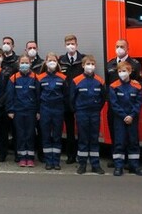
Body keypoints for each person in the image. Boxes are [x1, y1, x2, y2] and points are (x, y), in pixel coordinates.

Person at [71, 55, 106, 174]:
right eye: (88, 64)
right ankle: (82, 164)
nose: (90, 66)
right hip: (82, 113)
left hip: (95, 113)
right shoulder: (76, 80)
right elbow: (72, 99)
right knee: (83, 139)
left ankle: (95, 165)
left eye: (92, 64)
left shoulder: (100, 81)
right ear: (83, 65)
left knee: (94, 139)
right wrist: (78, 110)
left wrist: (96, 109)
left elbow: (103, 98)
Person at [109, 61, 142, 176]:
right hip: (120, 119)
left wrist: (131, 115)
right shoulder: (113, 86)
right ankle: (118, 166)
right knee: (119, 142)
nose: (122, 73)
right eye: (119, 71)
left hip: (132, 119)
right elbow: (114, 104)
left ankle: (134, 166)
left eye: (124, 71)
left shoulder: (137, 86)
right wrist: (124, 116)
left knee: (133, 142)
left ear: (130, 71)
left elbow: (138, 103)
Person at [6, 54, 40, 167]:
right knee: (20, 134)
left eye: (26, 63)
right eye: (22, 63)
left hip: (31, 111)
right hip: (18, 111)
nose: (24, 65)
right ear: (18, 64)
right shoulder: (13, 78)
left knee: (30, 134)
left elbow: (38, 96)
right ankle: (21, 157)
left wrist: (38, 111)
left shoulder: (35, 78)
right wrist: (10, 110)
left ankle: (30, 157)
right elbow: (10, 96)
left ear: (30, 64)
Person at [58, 35, 87, 165]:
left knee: (82, 129)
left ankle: (83, 155)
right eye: (68, 43)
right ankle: (71, 155)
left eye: (73, 43)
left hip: (80, 100)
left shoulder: (83, 60)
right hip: (65, 100)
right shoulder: (61, 60)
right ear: (65, 45)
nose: (71, 46)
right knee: (69, 130)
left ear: (77, 44)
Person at [37, 52, 68, 170]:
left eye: (54, 60)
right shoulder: (40, 78)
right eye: (49, 60)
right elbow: (37, 96)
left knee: (56, 136)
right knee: (45, 136)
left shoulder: (63, 78)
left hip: (58, 110)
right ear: (45, 62)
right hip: (45, 109)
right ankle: (48, 161)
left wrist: (64, 110)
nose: (52, 62)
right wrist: (38, 111)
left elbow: (66, 95)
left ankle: (56, 161)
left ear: (57, 62)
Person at [0, 37, 19, 162]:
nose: (6, 45)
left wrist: (2, 101)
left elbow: (11, 86)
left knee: (12, 130)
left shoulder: (13, 65)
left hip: (8, 102)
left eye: (8, 43)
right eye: (4, 43)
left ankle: (13, 153)